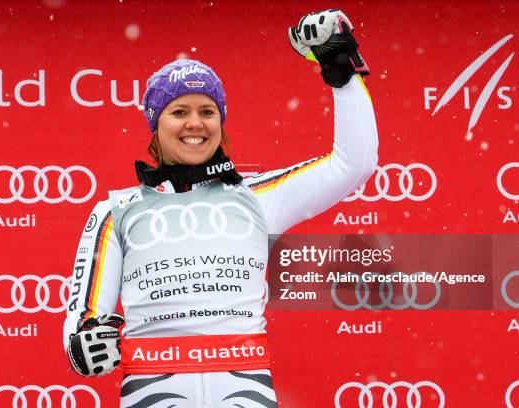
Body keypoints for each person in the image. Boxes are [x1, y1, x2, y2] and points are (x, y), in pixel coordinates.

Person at [64, 9, 378, 408]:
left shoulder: (257, 196)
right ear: (155, 124)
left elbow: (354, 165)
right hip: (153, 393)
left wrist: (341, 72)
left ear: (221, 122)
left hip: (244, 391)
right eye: (179, 112)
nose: (195, 123)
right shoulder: (117, 210)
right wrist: (85, 340)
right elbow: (84, 318)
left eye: (207, 112)